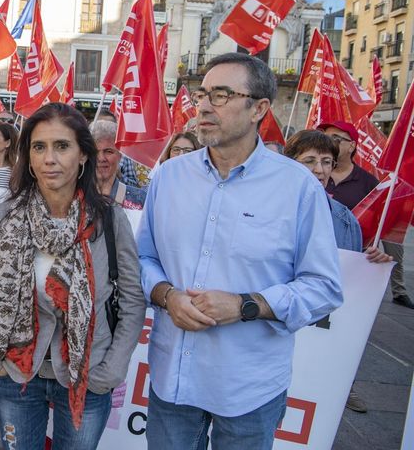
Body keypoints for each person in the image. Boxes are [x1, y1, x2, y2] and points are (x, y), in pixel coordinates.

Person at [138, 53, 343, 449]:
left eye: (221, 95)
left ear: (259, 109)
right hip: (173, 379)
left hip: (249, 388)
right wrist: (167, 295)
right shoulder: (169, 176)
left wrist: (246, 305)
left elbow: (323, 287)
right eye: (203, 94)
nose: (203, 106)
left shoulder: (298, 187)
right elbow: (144, 259)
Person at [0, 103, 145, 450]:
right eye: (39, 147)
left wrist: (111, 370)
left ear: (83, 155)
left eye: (62, 146)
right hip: (18, 372)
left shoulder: (109, 221)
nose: (49, 158)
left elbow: (131, 298)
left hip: (88, 374)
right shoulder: (5, 218)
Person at [284, 129, 393, 414]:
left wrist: (373, 261)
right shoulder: (267, 207)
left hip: (317, 333)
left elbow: (350, 274)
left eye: (326, 162)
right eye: (309, 161)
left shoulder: (344, 219)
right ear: (290, 163)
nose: (319, 170)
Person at [317, 120, 414, 309]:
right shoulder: (313, 173)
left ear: (352, 145)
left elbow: (378, 227)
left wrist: (374, 253)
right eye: (325, 137)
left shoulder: (369, 183)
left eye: (336, 138)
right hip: (314, 256)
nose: (329, 142)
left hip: (348, 265)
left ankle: (399, 291)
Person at [90, 119, 146, 210]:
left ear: (120, 155)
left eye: (108, 151)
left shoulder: (140, 199)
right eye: (94, 152)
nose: (101, 158)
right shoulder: (72, 196)